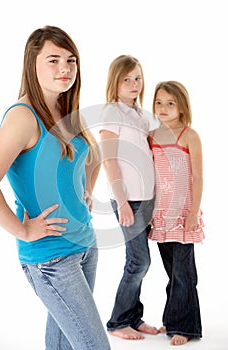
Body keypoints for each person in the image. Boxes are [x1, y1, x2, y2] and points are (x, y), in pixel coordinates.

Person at [0, 25, 111, 350]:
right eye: (53, 60)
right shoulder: (22, 117)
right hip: (51, 259)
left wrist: (85, 193)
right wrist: (23, 230)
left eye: (71, 60)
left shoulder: (67, 109)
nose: (65, 68)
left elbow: (94, 156)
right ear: (32, 64)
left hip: (86, 247)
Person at [99, 55, 159, 340]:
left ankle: (134, 317)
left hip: (147, 198)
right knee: (139, 261)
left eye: (138, 78)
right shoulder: (112, 111)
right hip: (129, 200)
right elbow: (109, 160)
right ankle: (118, 322)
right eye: (127, 79)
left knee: (138, 260)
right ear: (116, 81)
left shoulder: (139, 114)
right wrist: (121, 201)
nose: (134, 84)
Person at [148, 80, 205, 346]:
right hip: (162, 214)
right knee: (173, 273)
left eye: (170, 103)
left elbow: (198, 177)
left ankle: (185, 326)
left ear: (182, 106)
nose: (163, 107)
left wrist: (193, 212)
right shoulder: (153, 135)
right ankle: (174, 320)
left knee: (184, 274)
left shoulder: (189, 135)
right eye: (159, 102)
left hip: (183, 214)